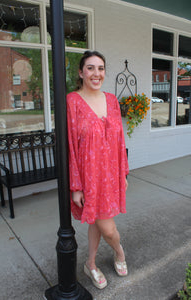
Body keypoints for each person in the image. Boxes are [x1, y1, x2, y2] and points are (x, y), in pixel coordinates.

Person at [67, 50, 129, 289]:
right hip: (90, 178)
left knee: (96, 221)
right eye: (90, 68)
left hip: (111, 175)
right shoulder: (72, 101)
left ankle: (90, 263)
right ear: (81, 72)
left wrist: (123, 172)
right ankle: (120, 252)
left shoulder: (112, 100)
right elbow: (71, 146)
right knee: (109, 229)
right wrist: (76, 186)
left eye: (100, 68)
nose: (96, 73)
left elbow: (119, 140)